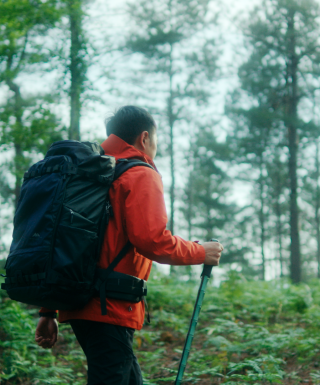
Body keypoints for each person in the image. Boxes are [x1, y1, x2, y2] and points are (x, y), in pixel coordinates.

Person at [34, 105, 224, 385]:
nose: (155, 148)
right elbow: (152, 240)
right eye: (156, 141)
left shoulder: (89, 173)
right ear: (144, 138)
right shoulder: (139, 173)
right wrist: (200, 251)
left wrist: (48, 310)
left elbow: (60, 242)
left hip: (78, 299)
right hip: (109, 305)